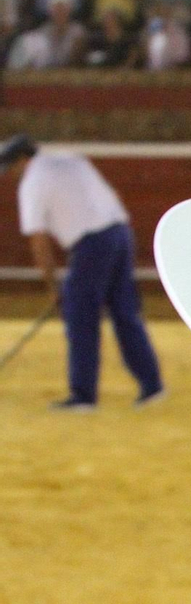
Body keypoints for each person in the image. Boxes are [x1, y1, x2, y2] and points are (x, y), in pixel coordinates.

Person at [1, 135, 163, 411]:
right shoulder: (69, 158)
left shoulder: (33, 182)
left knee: (80, 316)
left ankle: (83, 395)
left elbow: (38, 240)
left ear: (22, 160)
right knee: (124, 311)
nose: (11, 175)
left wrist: (53, 287)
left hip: (92, 243)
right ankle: (152, 385)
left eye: (11, 167)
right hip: (120, 233)